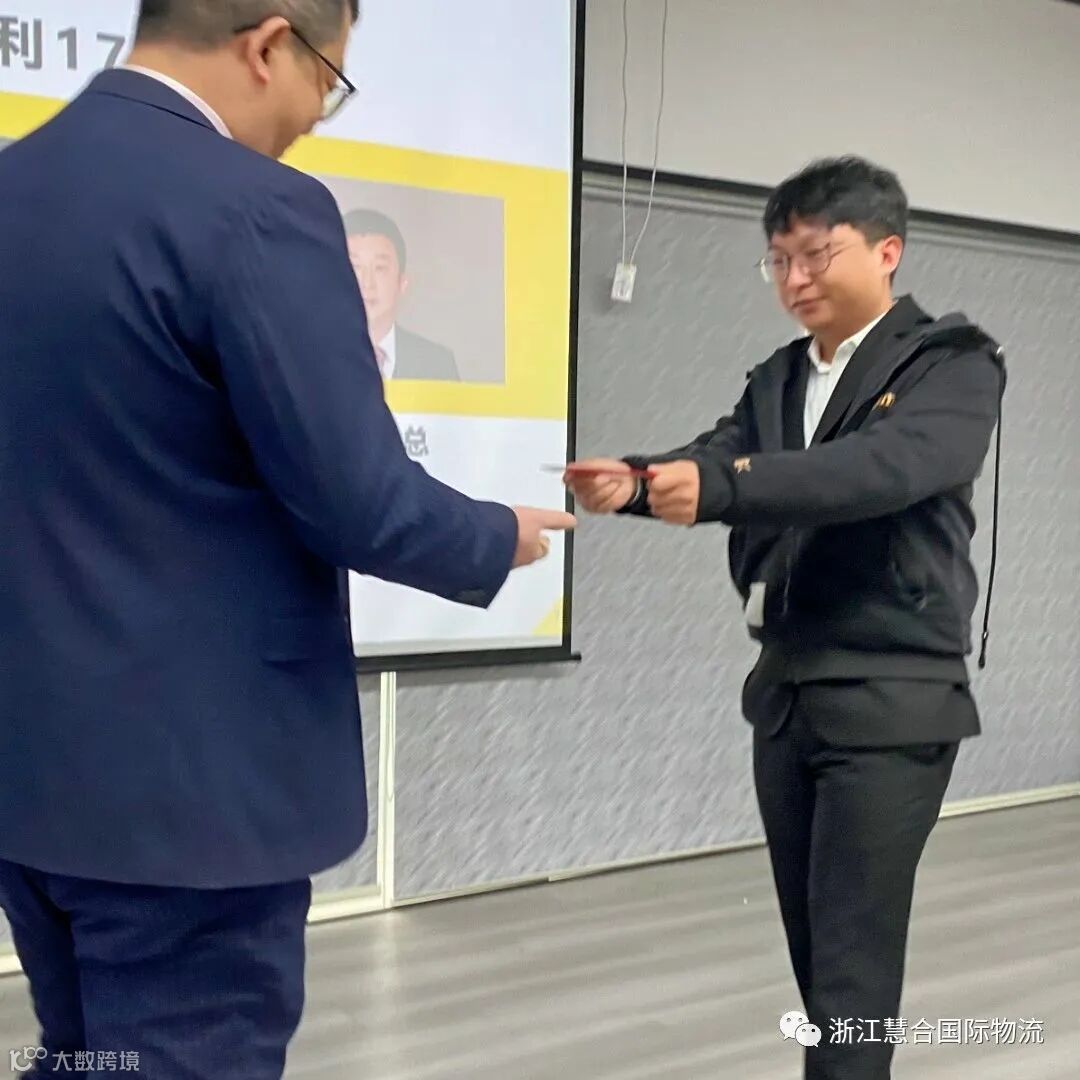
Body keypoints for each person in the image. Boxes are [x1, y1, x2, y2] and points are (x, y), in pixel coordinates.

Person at [0, 2, 573, 1078]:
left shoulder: (13, 182)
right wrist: (497, 535)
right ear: (269, 45)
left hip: (28, 782)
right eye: (328, 80)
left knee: (79, 1058)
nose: (317, 115)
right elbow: (357, 498)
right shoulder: (258, 208)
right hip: (193, 804)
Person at [566, 156, 1005, 1080]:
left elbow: (875, 471)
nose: (795, 279)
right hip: (788, 696)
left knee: (851, 972)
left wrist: (724, 485)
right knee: (818, 964)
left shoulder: (953, 364)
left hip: (891, 698)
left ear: (887, 251)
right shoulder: (779, 376)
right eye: (778, 261)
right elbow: (721, 454)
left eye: (816, 255)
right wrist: (636, 483)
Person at [343, 207, 461, 381]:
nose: (367, 284)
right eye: (355, 267)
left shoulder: (437, 363)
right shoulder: (310, 354)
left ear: (402, 283)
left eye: (380, 268)